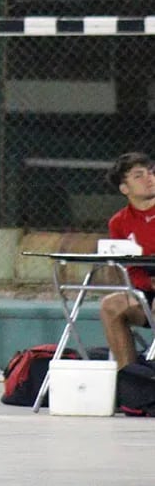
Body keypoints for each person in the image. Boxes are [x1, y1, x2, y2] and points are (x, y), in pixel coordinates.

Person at [100, 152, 155, 368]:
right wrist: (146, 284)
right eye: (139, 176)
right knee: (111, 305)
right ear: (125, 188)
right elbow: (127, 266)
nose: (149, 178)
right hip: (145, 292)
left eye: (151, 172)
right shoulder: (119, 222)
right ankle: (130, 383)